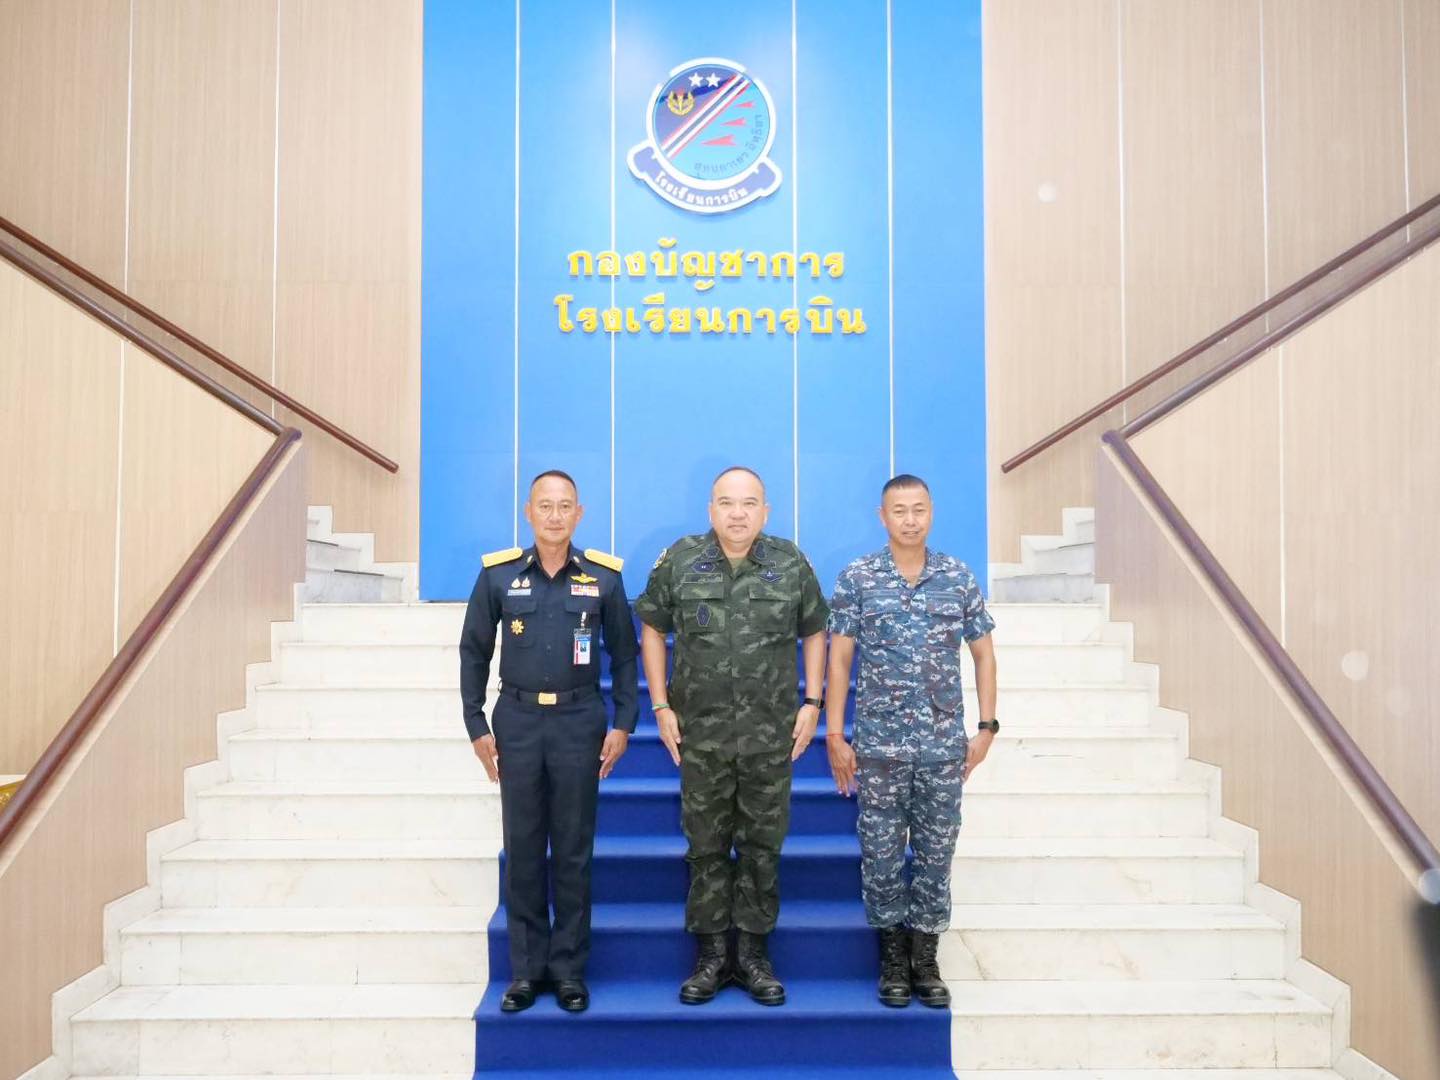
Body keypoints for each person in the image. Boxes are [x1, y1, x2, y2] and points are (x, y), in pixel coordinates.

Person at [634, 466, 829, 1006]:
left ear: (765, 511)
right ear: (711, 510)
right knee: (706, 846)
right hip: (702, 735)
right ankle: (712, 956)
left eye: (748, 504)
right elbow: (652, 627)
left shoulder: (789, 562)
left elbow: (815, 629)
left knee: (763, 846)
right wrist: (660, 705)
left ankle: (754, 956)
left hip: (770, 735)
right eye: (726, 503)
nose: (737, 513)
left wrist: (813, 701)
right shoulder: (680, 560)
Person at [460, 470, 638, 1014]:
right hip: (516, 721)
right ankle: (526, 972)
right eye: (545, 506)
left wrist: (623, 723)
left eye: (565, 506)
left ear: (579, 514)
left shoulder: (603, 578)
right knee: (523, 849)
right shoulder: (498, 576)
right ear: (528, 512)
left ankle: (568, 971)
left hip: (579, 721)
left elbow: (625, 656)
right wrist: (476, 725)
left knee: (573, 850)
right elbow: (473, 652)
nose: (555, 516)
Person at [823, 474, 998, 1008]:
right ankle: (893, 960)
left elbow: (984, 653)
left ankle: (926, 958)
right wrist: (835, 733)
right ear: (883, 517)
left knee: (935, 853)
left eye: (918, 509)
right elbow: (839, 659)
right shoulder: (859, 577)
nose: (910, 519)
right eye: (899, 510)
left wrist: (987, 727)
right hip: (879, 747)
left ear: (931, 512)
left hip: (943, 748)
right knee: (880, 855)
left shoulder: (957, 577)